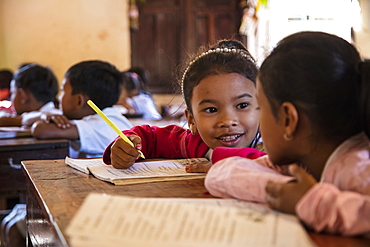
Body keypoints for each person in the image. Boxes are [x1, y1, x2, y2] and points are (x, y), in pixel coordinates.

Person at [205, 31, 370, 236]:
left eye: (261, 108)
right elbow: (220, 175)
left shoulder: (359, 168)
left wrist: (312, 202)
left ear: (288, 120)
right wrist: (286, 190)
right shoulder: (302, 163)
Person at [103, 39, 265, 170]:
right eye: (211, 109)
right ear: (192, 120)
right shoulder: (197, 143)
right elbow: (151, 138)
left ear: (262, 108)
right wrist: (127, 146)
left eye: (242, 105)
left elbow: (280, 166)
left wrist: (225, 161)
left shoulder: (272, 145)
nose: (228, 121)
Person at [31, 60, 133, 159]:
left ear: (79, 101)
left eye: (63, 92)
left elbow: (40, 130)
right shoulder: (111, 116)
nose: (59, 98)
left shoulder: (99, 125)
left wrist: (43, 119)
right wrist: (44, 115)